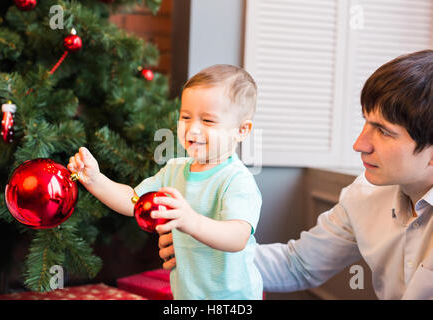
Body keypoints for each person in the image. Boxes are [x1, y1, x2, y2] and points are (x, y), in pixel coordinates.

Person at [158, 50, 433, 300]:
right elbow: (298, 265)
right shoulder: (364, 195)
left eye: (384, 131)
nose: (359, 144)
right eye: (366, 122)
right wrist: (205, 252)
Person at [68, 64, 263, 299]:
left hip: (233, 297)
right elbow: (133, 202)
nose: (193, 129)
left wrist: (190, 220)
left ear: (242, 131)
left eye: (208, 121)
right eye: (186, 117)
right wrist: (96, 181)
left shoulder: (236, 179)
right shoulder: (174, 170)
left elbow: (237, 237)